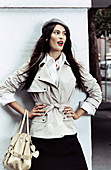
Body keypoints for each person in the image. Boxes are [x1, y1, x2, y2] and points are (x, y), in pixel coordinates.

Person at [0, 18, 102, 170]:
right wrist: (26, 113)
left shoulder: (73, 65)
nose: (62, 37)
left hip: (67, 131)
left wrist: (78, 113)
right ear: (47, 37)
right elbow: (4, 90)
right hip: (41, 135)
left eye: (64, 34)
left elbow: (96, 92)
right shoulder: (34, 64)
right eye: (57, 33)